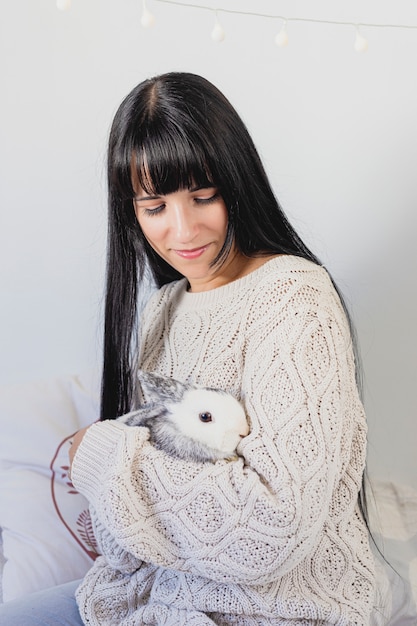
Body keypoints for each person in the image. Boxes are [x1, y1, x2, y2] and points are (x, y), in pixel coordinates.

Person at [0, 72, 379, 625]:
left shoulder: (293, 296)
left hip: (277, 612)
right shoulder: (163, 310)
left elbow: (273, 528)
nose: (183, 230)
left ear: (237, 183)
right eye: (154, 207)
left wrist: (105, 456)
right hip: (159, 598)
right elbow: (125, 530)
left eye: (203, 197)